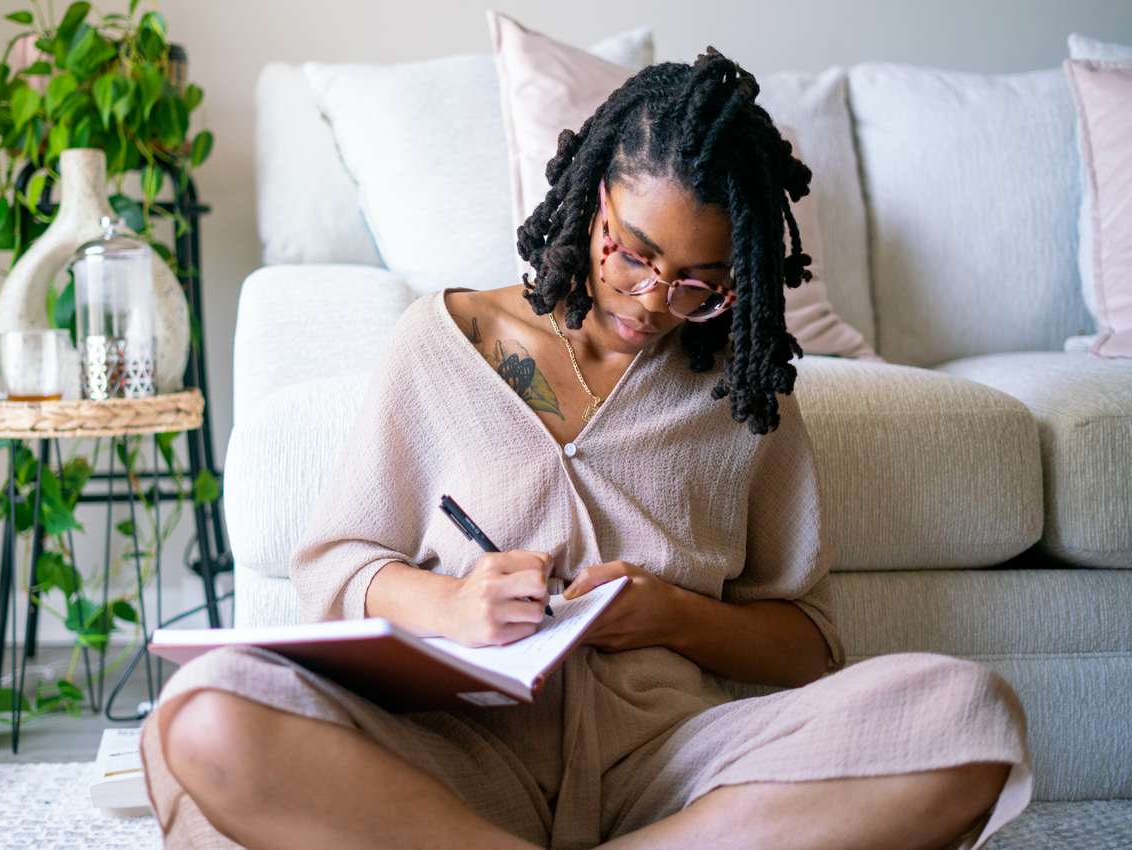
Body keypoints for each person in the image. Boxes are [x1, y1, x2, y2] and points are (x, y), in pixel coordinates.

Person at [138, 47, 1032, 850]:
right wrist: (453, 607)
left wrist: (671, 614)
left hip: (674, 767)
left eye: (697, 287)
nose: (651, 299)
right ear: (593, 194)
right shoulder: (443, 342)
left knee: (968, 719)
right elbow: (336, 564)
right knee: (207, 714)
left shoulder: (742, 391)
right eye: (632, 254)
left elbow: (806, 645)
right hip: (458, 752)